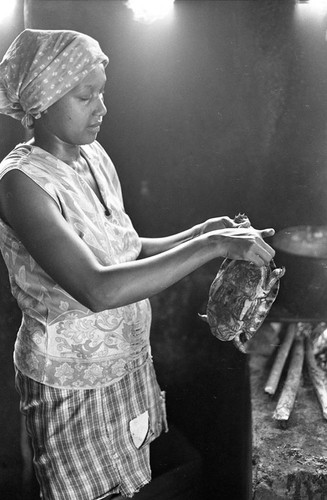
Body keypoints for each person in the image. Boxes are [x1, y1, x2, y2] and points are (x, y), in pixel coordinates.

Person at [0, 29, 275, 500]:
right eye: (86, 96)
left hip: (127, 368)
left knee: (132, 489)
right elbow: (97, 287)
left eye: (102, 93)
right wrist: (209, 249)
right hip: (73, 389)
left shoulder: (93, 156)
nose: (101, 108)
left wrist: (201, 233)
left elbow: (124, 249)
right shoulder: (21, 185)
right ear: (42, 101)